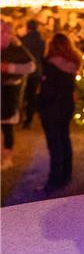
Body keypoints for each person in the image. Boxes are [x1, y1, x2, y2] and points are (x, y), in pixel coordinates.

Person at [37, 33, 82, 192]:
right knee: (64, 140)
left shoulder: (51, 66)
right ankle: (65, 175)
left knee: (55, 145)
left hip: (52, 110)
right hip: (66, 107)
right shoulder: (71, 65)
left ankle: (54, 180)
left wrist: (39, 103)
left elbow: (47, 92)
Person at [1, 21, 36, 169]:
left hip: (8, 93)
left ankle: (7, 157)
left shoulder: (16, 47)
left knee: (6, 126)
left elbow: (31, 66)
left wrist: (9, 68)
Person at [20, 19, 46, 129]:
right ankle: (28, 120)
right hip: (36, 71)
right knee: (32, 96)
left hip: (24, 70)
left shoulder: (23, 40)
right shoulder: (41, 41)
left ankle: (19, 117)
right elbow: (43, 56)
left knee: (21, 95)